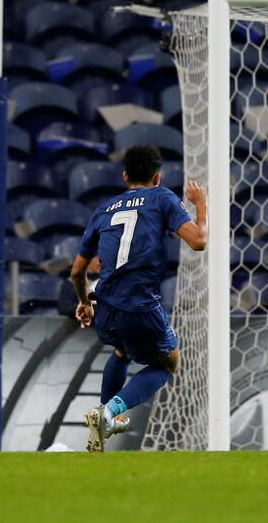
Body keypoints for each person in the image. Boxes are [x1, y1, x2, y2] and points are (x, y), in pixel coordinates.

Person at [71, 145, 207, 452]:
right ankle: (108, 412)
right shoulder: (162, 198)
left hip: (105, 307)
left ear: (124, 175)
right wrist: (202, 204)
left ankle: (105, 419)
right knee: (169, 363)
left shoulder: (104, 209)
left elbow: (77, 271)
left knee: (121, 350)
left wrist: (85, 303)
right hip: (141, 306)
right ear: (157, 177)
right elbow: (198, 242)